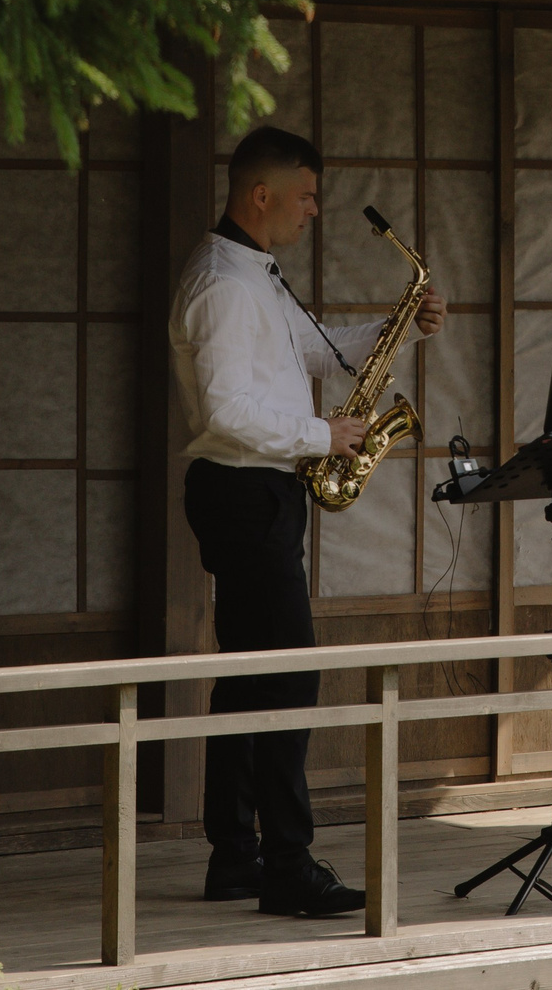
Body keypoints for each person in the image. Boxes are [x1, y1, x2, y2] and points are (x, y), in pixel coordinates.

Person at [171, 125, 448, 918]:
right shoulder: (223, 284)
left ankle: (235, 856)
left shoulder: (256, 274)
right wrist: (321, 434)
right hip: (241, 489)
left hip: (257, 491)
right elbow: (226, 410)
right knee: (288, 675)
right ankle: (288, 864)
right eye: (306, 195)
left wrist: (401, 327)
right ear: (262, 195)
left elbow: (323, 353)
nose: (315, 210)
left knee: (250, 677)